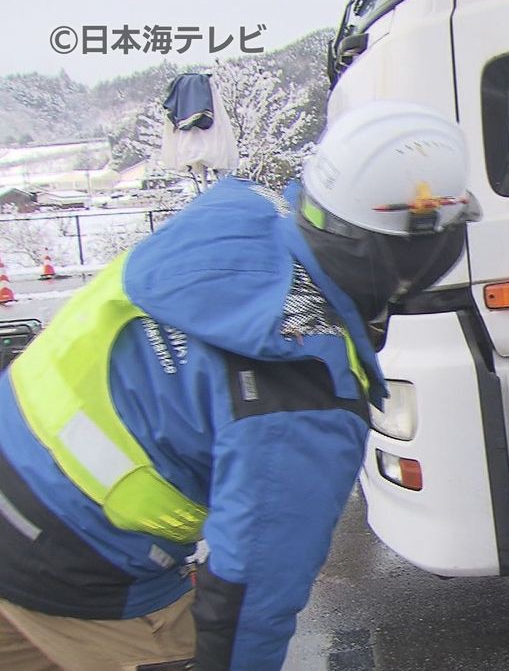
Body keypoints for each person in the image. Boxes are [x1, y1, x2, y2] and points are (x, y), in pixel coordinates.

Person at [0, 101, 472, 671]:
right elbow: (252, 593)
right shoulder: (302, 392)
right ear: (419, 250)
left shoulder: (232, 215)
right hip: (79, 569)